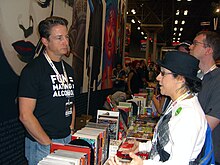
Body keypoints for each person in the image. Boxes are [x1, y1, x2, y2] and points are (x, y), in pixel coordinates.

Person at [108, 51, 207, 164]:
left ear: (180, 79)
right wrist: (142, 147)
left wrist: (143, 163)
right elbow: (167, 144)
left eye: (163, 73)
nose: (158, 77)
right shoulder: (179, 103)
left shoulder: (189, 116)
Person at [18, 16, 76, 165]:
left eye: (66, 36)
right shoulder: (33, 70)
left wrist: (70, 129)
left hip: (66, 139)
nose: (65, 42)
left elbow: (70, 101)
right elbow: (25, 115)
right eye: (59, 38)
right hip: (42, 143)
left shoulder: (68, 70)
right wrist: (47, 143)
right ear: (45, 41)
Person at [189, 31, 220, 164]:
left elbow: (207, 125)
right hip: (192, 152)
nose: (191, 47)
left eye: (195, 44)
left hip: (207, 157)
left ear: (208, 50)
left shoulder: (217, 80)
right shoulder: (195, 77)